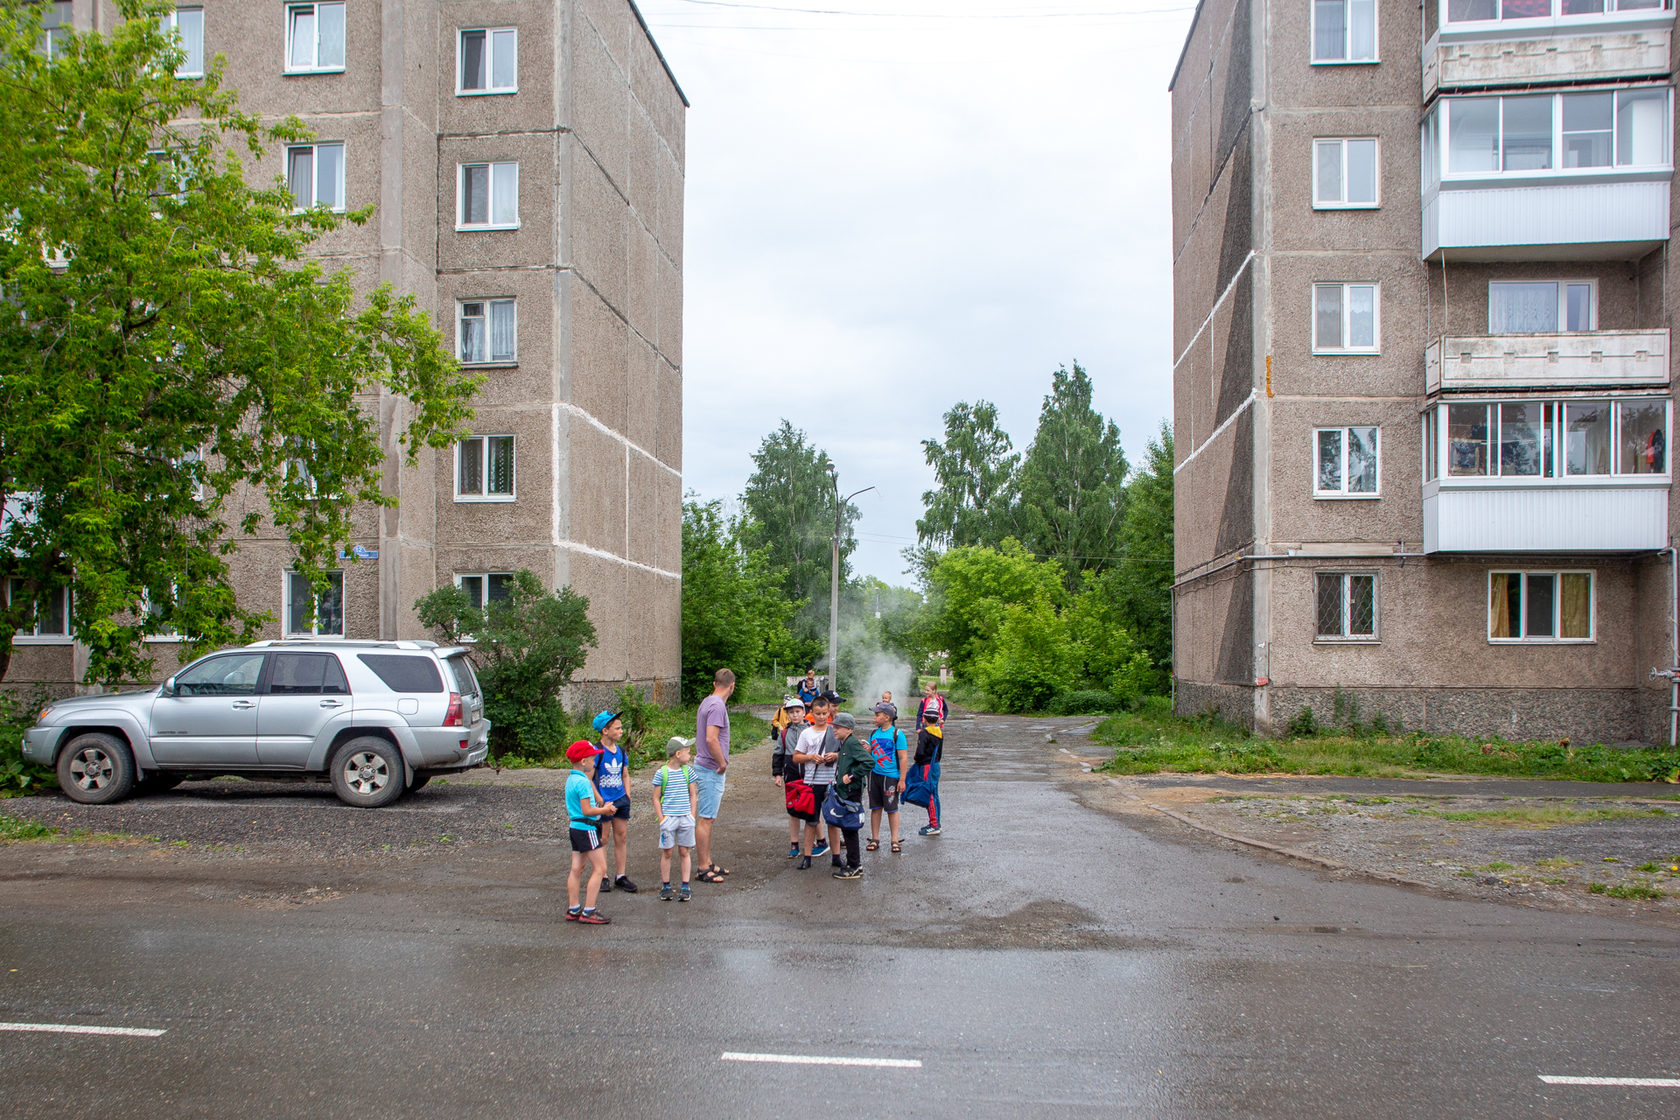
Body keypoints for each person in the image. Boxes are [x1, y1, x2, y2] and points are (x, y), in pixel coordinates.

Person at [564, 741, 619, 924]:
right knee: (600, 868)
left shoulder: (571, 779)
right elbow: (587, 810)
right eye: (592, 758)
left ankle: (573, 909)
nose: (595, 761)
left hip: (575, 827)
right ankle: (589, 910)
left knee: (577, 868)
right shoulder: (584, 782)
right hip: (586, 828)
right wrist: (605, 810)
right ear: (583, 762)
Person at [693, 668, 734, 883]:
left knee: (708, 818)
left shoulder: (708, 701)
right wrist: (722, 763)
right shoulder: (717, 706)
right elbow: (711, 739)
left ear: (714, 683)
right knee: (706, 819)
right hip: (710, 768)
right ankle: (702, 868)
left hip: (704, 766)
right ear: (732, 686)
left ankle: (708, 862)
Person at [791, 694, 840, 870]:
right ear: (812, 713)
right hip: (811, 783)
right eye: (818, 713)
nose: (821, 717)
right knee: (811, 821)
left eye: (824, 713)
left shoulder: (835, 731)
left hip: (831, 783)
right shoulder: (806, 733)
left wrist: (835, 756)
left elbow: (846, 754)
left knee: (834, 822)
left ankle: (836, 856)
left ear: (829, 713)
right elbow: (796, 757)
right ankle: (807, 857)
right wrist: (810, 757)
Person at [591, 709, 637, 894]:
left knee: (622, 836)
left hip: (620, 799)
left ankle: (620, 876)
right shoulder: (596, 752)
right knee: (603, 838)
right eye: (617, 728)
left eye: (620, 727)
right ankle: (602, 875)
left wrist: (627, 795)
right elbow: (588, 778)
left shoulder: (621, 751)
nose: (621, 731)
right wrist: (599, 799)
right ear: (605, 731)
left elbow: (625, 774)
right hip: (604, 802)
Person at [650, 736, 699, 902]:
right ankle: (666, 885)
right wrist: (662, 819)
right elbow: (656, 798)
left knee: (685, 851)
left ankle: (685, 885)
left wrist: (692, 815)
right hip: (669, 819)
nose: (690, 755)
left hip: (685, 818)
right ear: (678, 754)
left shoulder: (688, 771)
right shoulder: (661, 773)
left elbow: (693, 794)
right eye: (688, 752)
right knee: (667, 852)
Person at [830, 711, 870, 880]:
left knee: (850, 827)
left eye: (838, 728)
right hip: (845, 792)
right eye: (834, 727)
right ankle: (853, 863)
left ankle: (854, 866)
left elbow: (869, 762)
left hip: (851, 792)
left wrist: (852, 775)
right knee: (847, 828)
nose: (834, 730)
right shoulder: (845, 743)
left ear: (848, 729)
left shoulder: (852, 743)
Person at [866, 701, 910, 853]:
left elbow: (903, 758)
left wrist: (902, 779)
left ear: (887, 717)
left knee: (892, 808)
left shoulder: (897, 734)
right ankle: (875, 838)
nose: (874, 717)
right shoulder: (873, 733)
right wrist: (869, 750)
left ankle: (894, 840)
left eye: (877, 715)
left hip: (890, 776)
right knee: (875, 808)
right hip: (874, 775)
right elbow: (872, 754)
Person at [772, 696, 809, 858]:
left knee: (811, 809)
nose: (794, 715)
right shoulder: (784, 733)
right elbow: (778, 753)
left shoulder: (811, 730)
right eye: (791, 712)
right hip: (791, 775)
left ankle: (815, 842)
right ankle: (794, 844)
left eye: (797, 711)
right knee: (793, 810)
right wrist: (777, 774)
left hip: (810, 775)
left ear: (804, 712)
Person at [913, 708, 944, 837]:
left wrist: (916, 761)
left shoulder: (924, 733)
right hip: (936, 765)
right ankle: (937, 821)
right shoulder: (939, 732)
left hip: (926, 766)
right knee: (935, 794)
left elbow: (920, 752)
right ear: (937, 720)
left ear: (924, 719)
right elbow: (940, 753)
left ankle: (934, 825)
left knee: (929, 794)